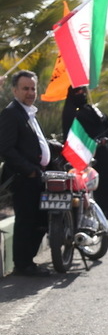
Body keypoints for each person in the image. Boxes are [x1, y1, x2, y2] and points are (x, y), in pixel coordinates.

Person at [0, 71, 52, 276]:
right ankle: (23, 264)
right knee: (27, 219)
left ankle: (27, 261)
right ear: (15, 91)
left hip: (38, 177)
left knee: (39, 219)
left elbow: (35, 142)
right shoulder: (11, 113)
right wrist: (29, 170)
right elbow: (5, 148)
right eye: (25, 88)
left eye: (33, 88)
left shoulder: (29, 112)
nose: (30, 93)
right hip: (23, 178)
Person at [61, 86, 108, 218]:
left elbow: (106, 125)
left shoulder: (92, 109)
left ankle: (103, 214)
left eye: (83, 91)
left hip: (105, 154)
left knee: (107, 184)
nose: (82, 94)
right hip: (83, 157)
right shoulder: (71, 112)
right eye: (77, 92)